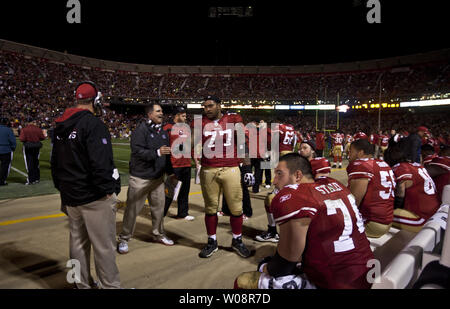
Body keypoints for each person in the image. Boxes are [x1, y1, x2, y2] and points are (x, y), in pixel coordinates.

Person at [235, 154, 374, 289]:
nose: (274, 181)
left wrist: (264, 266)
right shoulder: (335, 184)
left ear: (297, 175)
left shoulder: (294, 196)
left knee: (243, 282)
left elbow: (283, 265)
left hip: (339, 284)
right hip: (367, 273)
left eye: (279, 174)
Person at [51, 81, 121, 289]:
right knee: (104, 247)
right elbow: (100, 163)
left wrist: (63, 189)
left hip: (71, 196)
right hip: (93, 197)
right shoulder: (93, 124)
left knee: (76, 244)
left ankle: (79, 284)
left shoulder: (60, 126)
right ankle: (110, 287)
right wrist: (107, 190)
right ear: (95, 100)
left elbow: (55, 164)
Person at [192, 95, 251, 258]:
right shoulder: (199, 122)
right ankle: (212, 241)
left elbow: (243, 142)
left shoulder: (234, 118)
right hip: (208, 169)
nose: (207, 109)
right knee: (210, 208)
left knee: (236, 208)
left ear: (219, 105)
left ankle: (237, 240)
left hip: (231, 168)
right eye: (204, 107)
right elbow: (192, 142)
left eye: (210, 106)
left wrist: (247, 168)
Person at [118, 103, 177, 254]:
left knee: (158, 210)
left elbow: (167, 154)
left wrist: (170, 172)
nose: (161, 113)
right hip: (141, 178)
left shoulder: (162, 132)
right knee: (132, 210)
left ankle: (158, 234)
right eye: (158, 111)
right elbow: (137, 151)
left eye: (162, 111)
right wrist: (156, 153)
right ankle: (124, 238)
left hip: (157, 179)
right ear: (149, 114)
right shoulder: (141, 130)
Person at [384, 138, 440, 233]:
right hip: (434, 214)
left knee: (377, 216)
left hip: (421, 219)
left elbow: (400, 196)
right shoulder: (417, 165)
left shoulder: (400, 168)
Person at [347, 139, 395, 238]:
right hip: (387, 220)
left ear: (360, 153)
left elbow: (354, 201)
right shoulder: (383, 163)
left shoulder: (360, 165)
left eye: (351, 151)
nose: (349, 154)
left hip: (371, 222)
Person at [163, 107, 194, 221]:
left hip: (185, 164)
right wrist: (168, 167)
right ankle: (161, 213)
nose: (186, 118)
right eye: (183, 116)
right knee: (169, 192)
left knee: (184, 191)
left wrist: (194, 160)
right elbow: (165, 148)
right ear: (176, 115)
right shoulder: (168, 128)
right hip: (174, 165)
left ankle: (183, 213)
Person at [19, 117, 45, 185]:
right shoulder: (38, 129)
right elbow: (42, 137)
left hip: (28, 147)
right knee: (36, 162)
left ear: (27, 122)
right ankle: (37, 178)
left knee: (29, 163)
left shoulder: (24, 129)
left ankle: (31, 180)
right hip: (36, 147)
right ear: (33, 121)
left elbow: (22, 139)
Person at [0, 117, 16, 186]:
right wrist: (13, 148)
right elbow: (13, 141)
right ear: (6, 123)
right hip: (6, 150)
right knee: (4, 166)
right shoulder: (8, 130)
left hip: (5, 149)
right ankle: (1, 181)